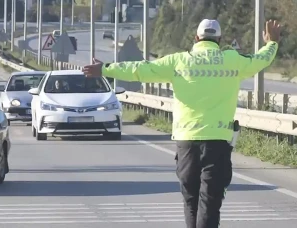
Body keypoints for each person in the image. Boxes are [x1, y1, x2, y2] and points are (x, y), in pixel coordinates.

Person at [82, 19, 281, 228]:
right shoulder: (232, 60)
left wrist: (105, 69)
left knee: (191, 200)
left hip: (186, 142)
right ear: (219, 41)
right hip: (218, 142)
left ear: (196, 38)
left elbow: (140, 69)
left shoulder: (178, 61)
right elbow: (260, 59)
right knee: (210, 202)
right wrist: (272, 42)